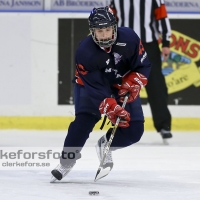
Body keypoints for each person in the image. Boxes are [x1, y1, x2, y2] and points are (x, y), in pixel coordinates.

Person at [51, 6, 151, 182]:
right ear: (92, 31)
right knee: (83, 122)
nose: (104, 35)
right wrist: (110, 105)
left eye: (107, 30)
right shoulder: (85, 52)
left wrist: (134, 80)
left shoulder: (130, 38)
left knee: (134, 130)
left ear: (114, 27)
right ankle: (67, 161)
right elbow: (95, 87)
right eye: (99, 31)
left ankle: (106, 144)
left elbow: (143, 65)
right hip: (90, 86)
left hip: (122, 85)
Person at [110, 0, 173, 139]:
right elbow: (111, 18)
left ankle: (163, 125)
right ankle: (121, 123)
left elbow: (162, 18)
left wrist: (166, 43)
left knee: (156, 85)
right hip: (123, 44)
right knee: (121, 84)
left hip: (148, 44)